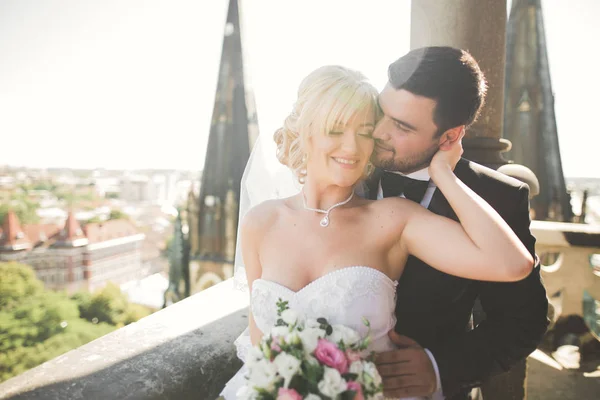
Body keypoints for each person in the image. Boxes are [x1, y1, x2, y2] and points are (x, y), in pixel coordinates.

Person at [220, 64, 534, 399]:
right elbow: (260, 347)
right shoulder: (260, 223)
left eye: (365, 132)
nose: (352, 148)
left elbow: (512, 263)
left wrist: (443, 173)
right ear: (305, 132)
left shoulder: (394, 219)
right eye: (336, 130)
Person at [368, 46, 549, 399]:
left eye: (402, 126)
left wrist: (439, 367)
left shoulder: (498, 197)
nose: (377, 131)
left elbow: (523, 320)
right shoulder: (345, 165)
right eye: (380, 111)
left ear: (450, 137)